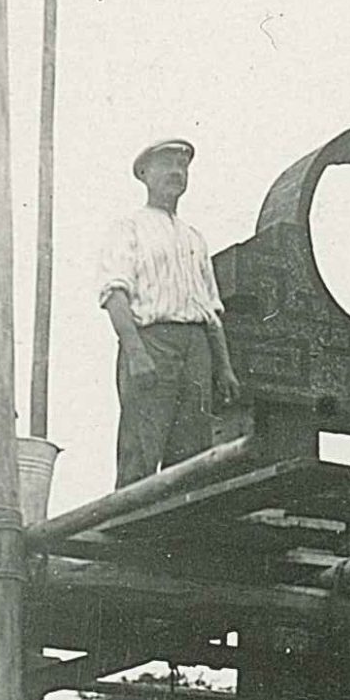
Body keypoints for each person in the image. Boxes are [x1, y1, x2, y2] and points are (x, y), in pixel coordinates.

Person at [96, 138, 240, 489]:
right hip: (151, 342)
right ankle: (129, 535)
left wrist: (224, 368)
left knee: (192, 454)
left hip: (197, 349)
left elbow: (211, 311)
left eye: (183, 165)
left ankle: (181, 536)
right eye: (167, 165)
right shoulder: (128, 227)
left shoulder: (195, 238)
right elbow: (114, 293)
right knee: (141, 449)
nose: (176, 172)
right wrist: (135, 352)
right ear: (145, 174)